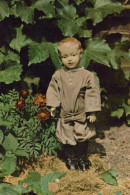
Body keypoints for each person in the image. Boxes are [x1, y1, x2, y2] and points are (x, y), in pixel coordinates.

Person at [46, 37, 101, 170]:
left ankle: (82, 158)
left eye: (73, 55)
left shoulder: (87, 75)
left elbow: (92, 93)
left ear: (80, 55)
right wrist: (53, 105)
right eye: (65, 56)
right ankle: (71, 159)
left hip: (81, 113)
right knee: (66, 136)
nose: (69, 59)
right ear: (60, 57)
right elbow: (54, 90)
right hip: (65, 113)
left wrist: (92, 111)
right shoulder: (58, 75)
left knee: (82, 135)